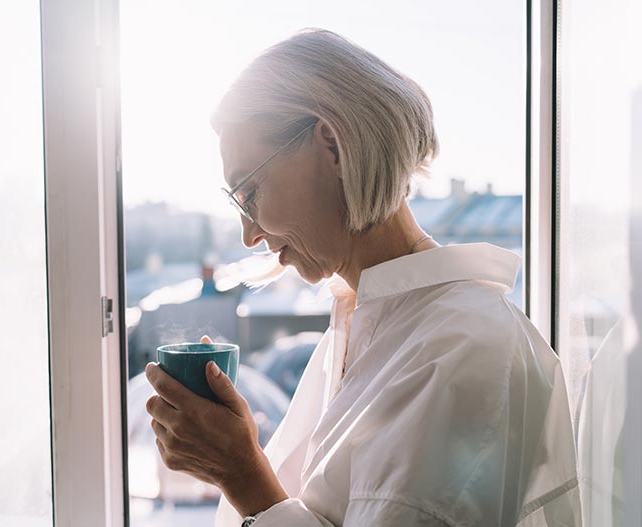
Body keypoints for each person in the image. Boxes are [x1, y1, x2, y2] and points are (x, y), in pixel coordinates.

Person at [145, 28, 580, 526]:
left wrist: (242, 474)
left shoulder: (463, 349)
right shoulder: (359, 326)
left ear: (331, 146)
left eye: (250, 193)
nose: (248, 234)